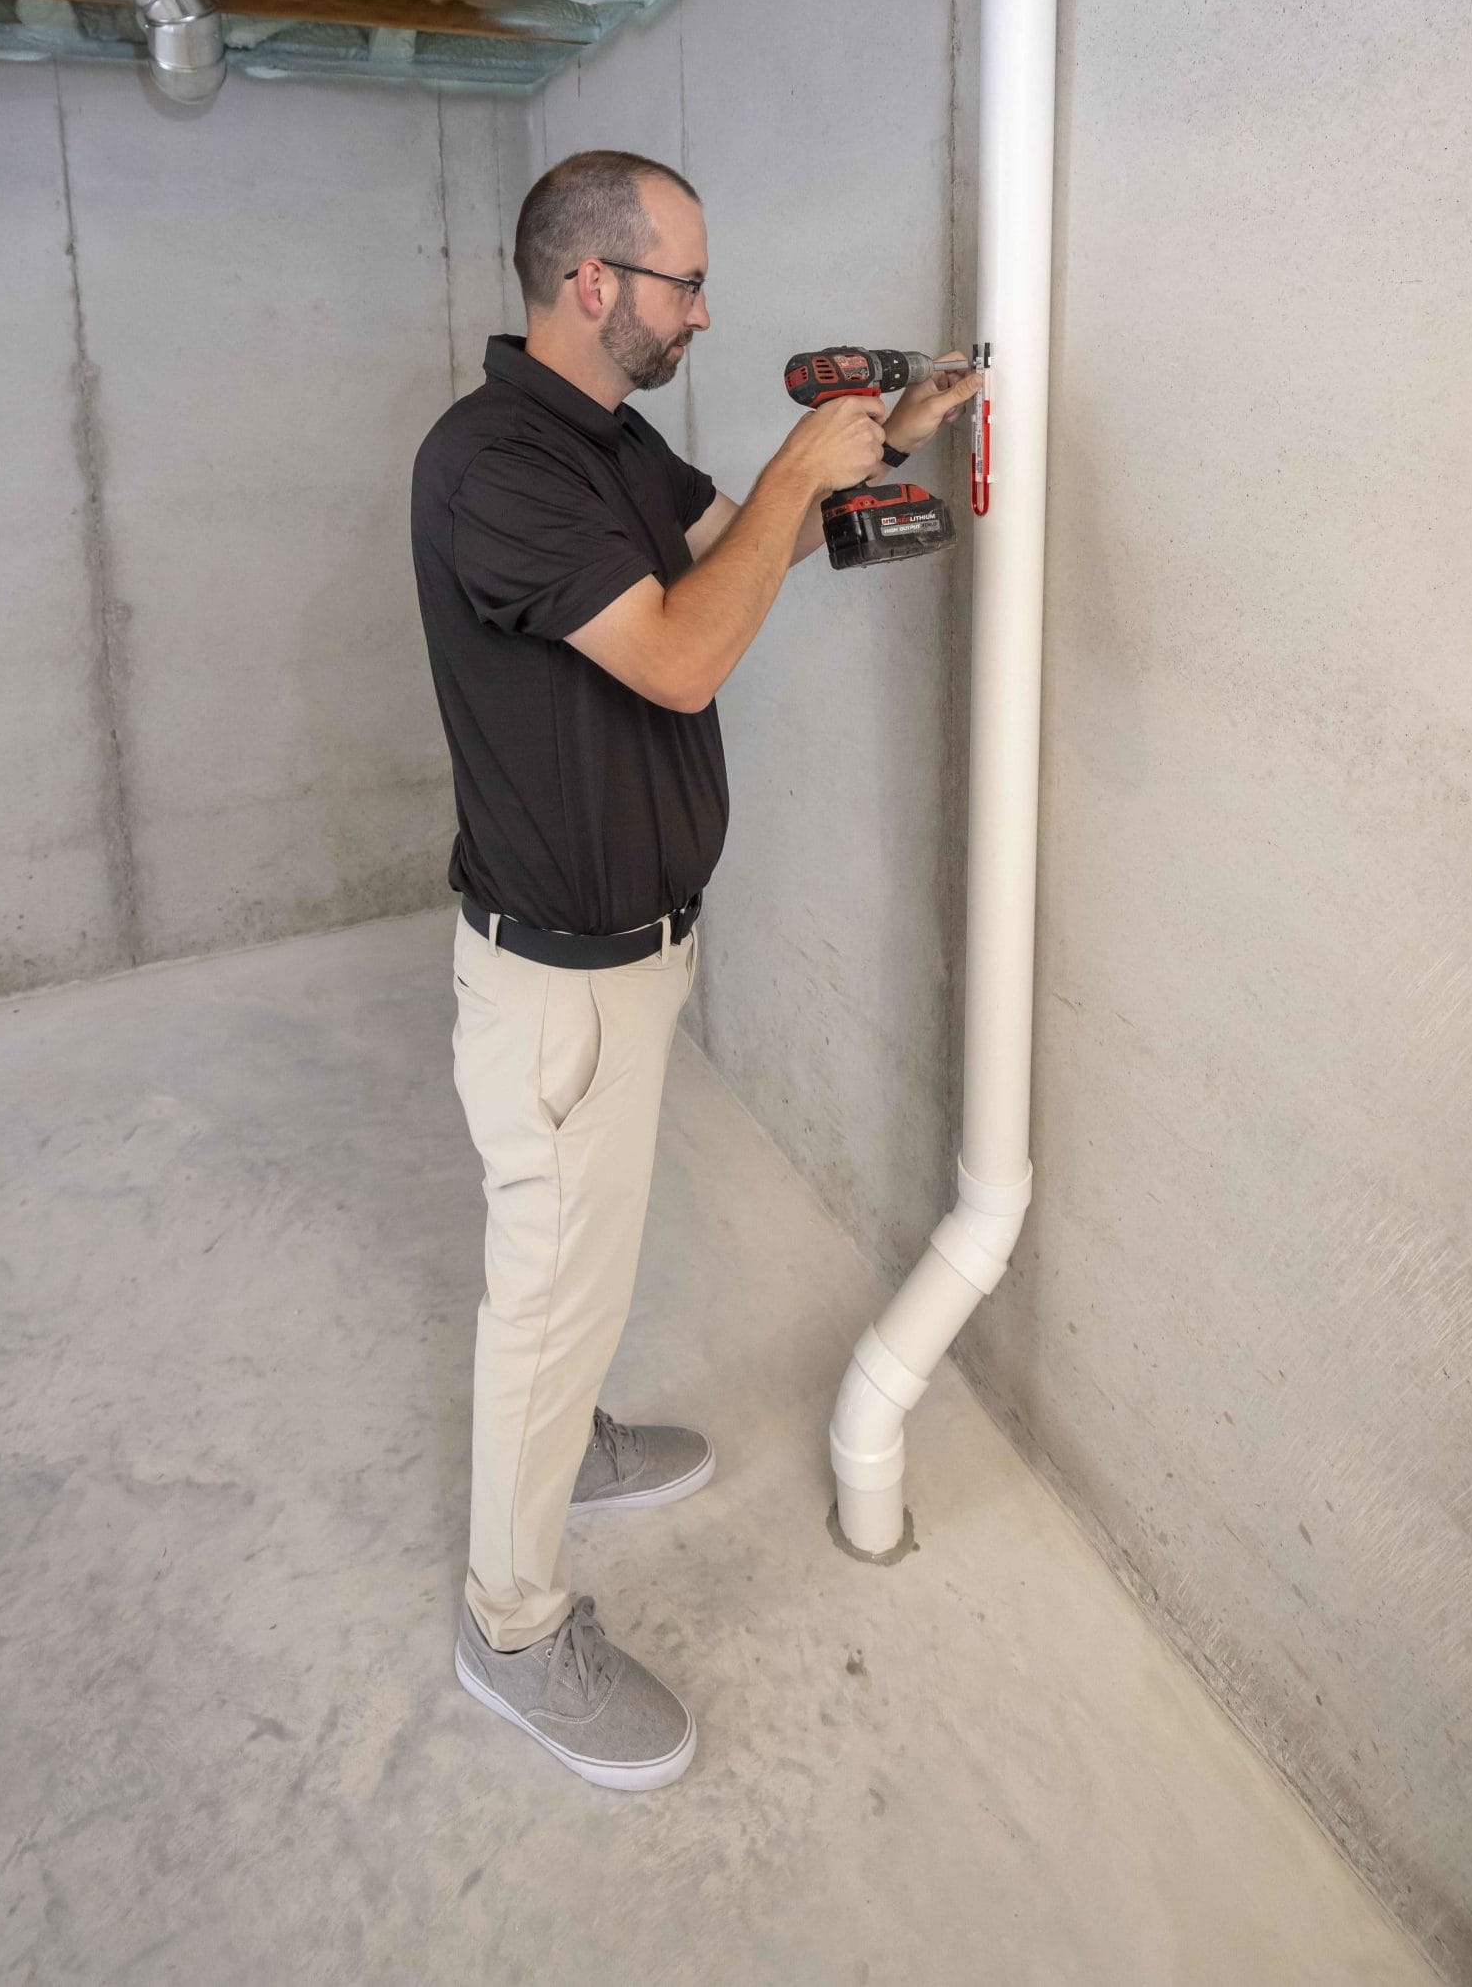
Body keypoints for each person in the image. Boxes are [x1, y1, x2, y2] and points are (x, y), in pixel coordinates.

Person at [410, 148, 975, 1790]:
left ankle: (568, 1440)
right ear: (592, 281)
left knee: (580, 1264)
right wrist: (798, 465)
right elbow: (676, 656)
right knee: (549, 1286)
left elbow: (737, 554)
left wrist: (875, 453)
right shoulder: (489, 463)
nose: (706, 313)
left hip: (634, 954)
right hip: (556, 981)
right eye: (686, 283)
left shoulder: (609, 439)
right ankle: (512, 1629)